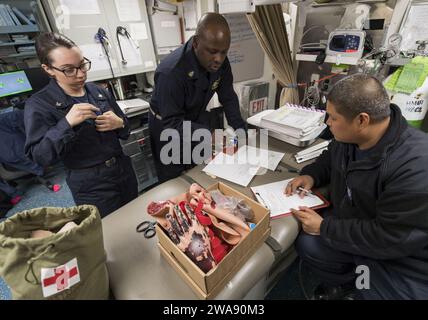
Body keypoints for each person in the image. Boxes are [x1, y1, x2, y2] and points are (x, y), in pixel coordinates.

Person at [286, 74, 428, 300]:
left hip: (401, 258)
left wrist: (325, 228)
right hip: (357, 225)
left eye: (332, 118)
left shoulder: (415, 167)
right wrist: (311, 176)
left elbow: (388, 238)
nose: (327, 123)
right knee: (308, 244)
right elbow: (331, 155)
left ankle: (360, 287)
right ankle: (349, 284)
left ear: (362, 120)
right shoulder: (349, 137)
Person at [24, 32, 138, 218]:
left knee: (135, 215)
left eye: (82, 65)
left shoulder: (97, 91)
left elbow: (125, 129)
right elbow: (39, 156)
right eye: (69, 69)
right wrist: (66, 124)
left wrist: (119, 123)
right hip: (90, 183)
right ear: (48, 69)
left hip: (122, 170)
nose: (80, 74)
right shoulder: (39, 105)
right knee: (109, 230)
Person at [149, 12, 247, 183]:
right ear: (196, 43)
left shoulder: (220, 61)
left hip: (195, 117)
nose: (218, 59)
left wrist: (241, 131)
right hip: (168, 126)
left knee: (200, 171)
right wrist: (209, 134)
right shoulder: (170, 73)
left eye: (224, 53)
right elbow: (173, 124)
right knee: (176, 180)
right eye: (213, 52)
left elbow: (228, 97)